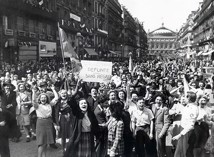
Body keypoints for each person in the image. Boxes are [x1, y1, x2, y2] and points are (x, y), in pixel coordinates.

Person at [32, 85, 58, 157]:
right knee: (41, 143)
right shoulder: (37, 105)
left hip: (49, 122)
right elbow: (33, 100)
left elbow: (56, 98)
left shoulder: (49, 104)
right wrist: (33, 92)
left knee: (46, 143)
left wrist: (53, 89)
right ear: (39, 99)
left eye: (45, 97)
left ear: (47, 99)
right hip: (41, 123)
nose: (43, 99)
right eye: (42, 98)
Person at [172, 91, 199, 157]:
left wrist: (180, 135)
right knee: (179, 152)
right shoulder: (187, 106)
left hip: (187, 133)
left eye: (185, 98)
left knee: (186, 153)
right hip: (183, 130)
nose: (183, 99)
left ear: (189, 99)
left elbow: (191, 125)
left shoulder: (193, 108)